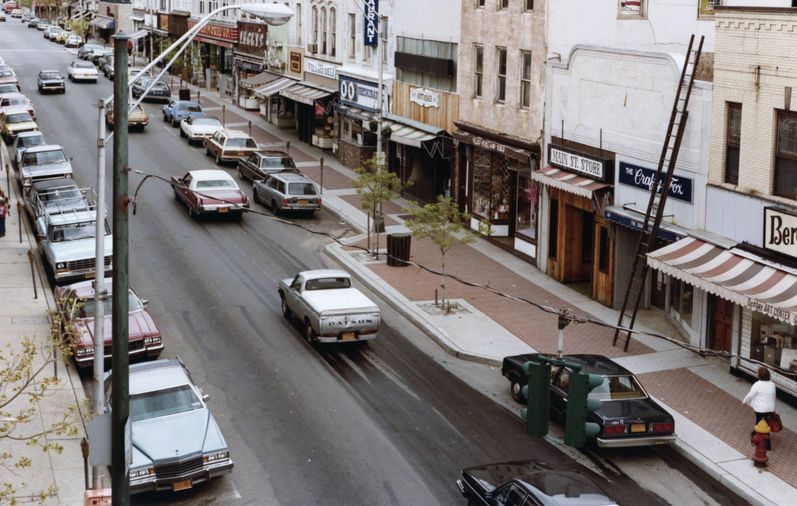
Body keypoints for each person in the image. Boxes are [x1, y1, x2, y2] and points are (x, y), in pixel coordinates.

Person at [743, 366, 776, 448]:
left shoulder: (757, 384)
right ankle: (755, 433)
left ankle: (765, 444)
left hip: (760, 409)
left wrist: (744, 401)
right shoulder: (772, 384)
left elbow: (751, 394)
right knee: (766, 424)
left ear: (760, 375)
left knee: (759, 423)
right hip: (770, 408)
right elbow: (773, 396)